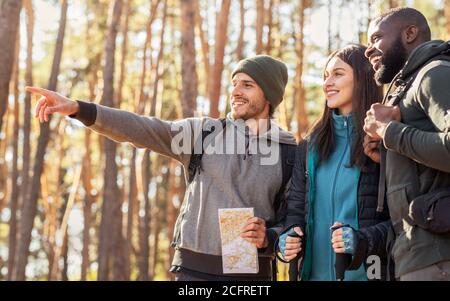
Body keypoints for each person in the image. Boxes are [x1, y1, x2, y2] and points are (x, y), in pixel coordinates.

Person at [26, 55, 297, 281]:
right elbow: (143, 128)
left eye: (247, 85)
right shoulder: (204, 133)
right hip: (193, 271)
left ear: (269, 94)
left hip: (251, 276)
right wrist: (78, 109)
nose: (236, 91)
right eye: (234, 83)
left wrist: (269, 237)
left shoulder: (289, 151)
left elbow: (293, 219)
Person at [277, 44, 392, 281]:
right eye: (325, 76)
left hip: (368, 275)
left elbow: (401, 221)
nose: (327, 83)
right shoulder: (309, 145)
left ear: (363, 79)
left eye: (338, 74)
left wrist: (362, 241)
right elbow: (296, 210)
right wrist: (287, 239)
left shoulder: (384, 141)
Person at [363, 7, 450, 281]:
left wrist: (390, 133)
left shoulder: (435, 73)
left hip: (438, 259)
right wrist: (389, 155)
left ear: (410, 33)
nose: (368, 50)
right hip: (415, 256)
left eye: (376, 38)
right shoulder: (409, 86)